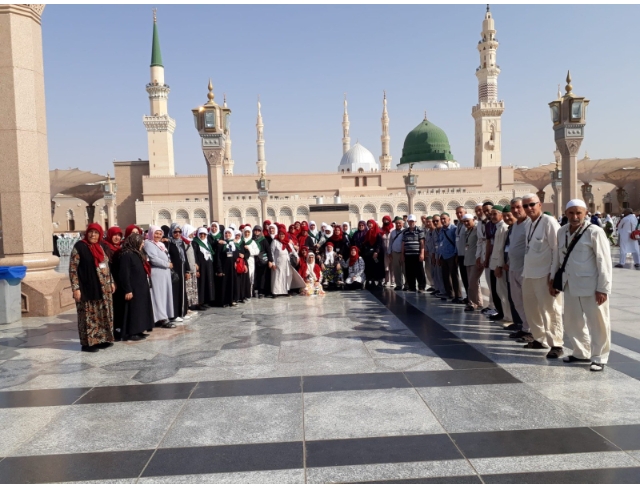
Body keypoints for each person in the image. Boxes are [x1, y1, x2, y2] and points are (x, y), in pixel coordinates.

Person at [553, 199, 612, 371]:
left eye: (579, 212)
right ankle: (581, 352)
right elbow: (559, 257)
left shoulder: (595, 232)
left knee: (598, 322)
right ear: (566, 213)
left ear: (586, 213)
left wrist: (603, 288)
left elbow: (604, 261)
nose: (575, 216)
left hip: (592, 286)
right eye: (571, 213)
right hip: (570, 284)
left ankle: (599, 357)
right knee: (572, 321)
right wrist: (553, 279)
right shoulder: (562, 231)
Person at [521, 193, 564, 358]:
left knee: (550, 310)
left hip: (545, 274)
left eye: (532, 204)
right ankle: (539, 339)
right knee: (531, 309)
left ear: (540, 204)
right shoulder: (528, 224)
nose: (529, 208)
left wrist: (553, 276)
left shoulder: (549, 222)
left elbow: (556, 250)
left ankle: (556, 344)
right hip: (529, 273)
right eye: (526, 206)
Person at [69, 223, 115, 352]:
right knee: (88, 315)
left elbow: (106, 266)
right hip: (86, 286)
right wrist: (76, 288)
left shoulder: (100, 247)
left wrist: (111, 281)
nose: (93, 235)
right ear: (87, 232)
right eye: (91, 232)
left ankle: (101, 339)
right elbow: (73, 269)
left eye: (96, 233)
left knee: (101, 314)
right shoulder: (79, 247)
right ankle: (88, 343)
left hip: (102, 287)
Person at [112, 233, 154, 341]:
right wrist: (128, 289)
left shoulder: (137, 253)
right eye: (141, 241)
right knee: (133, 310)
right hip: (133, 288)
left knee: (140, 309)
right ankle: (131, 332)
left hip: (140, 287)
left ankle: (139, 330)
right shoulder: (126, 254)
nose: (143, 243)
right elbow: (124, 274)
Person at [506, 198, 531, 341]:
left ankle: (532, 331)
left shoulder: (529, 224)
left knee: (527, 301)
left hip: (525, 269)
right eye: (513, 208)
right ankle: (525, 327)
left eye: (518, 207)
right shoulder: (516, 225)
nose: (515, 210)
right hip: (513, 267)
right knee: (517, 301)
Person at [144, 225, 175, 327]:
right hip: (157, 273)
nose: (158, 235)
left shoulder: (160, 244)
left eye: (159, 233)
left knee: (165, 295)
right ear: (151, 233)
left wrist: (169, 263)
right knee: (158, 295)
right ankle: (161, 318)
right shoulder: (149, 244)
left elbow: (166, 256)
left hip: (164, 273)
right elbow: (153, 258)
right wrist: (167, 264)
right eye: (156, 233)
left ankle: (165, 315)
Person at [487, 205, 512, 323]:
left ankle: (508, 317)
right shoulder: (498, 227)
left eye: (494, 214)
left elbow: (502, 248)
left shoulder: (503, 227)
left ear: (501, 215)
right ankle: (503, 314)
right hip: (495, 263)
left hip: (499, 265)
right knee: (499, 291)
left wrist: (499, 265)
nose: (492, 216)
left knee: (503, 292)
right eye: (491, 214)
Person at [166, 223, 191, 322]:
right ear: (171, 232)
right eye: (175, 232)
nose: (177, 234)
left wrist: (187, 270)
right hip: (174, 272)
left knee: (182, 291)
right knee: (175, 292)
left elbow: (185, 258)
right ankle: (174, 314)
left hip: (181, 270)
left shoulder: (181, 243)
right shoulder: (169, 243)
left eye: (179, 232)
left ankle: (182, 312)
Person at [270, 224, 303, 297]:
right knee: (277, 277)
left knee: (286, 276)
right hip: (277, 262)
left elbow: (293, 251)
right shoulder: (275, 242)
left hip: (286, 263)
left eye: (283, 234)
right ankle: (276, 292)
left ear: (285, 235)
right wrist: (273, 263)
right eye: (280, 234)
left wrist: (297, 257)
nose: (281, 236)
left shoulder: (288, 242)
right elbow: (271, 252)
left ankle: (285, 291)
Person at [438, 212, 463, 303]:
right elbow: (439, 242)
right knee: (445, 275)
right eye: (442, 219)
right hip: (443, 255)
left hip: (452, 255)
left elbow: (457, 242)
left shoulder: (453, 229)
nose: (443, 220)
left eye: (444, 218)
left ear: (449, 219)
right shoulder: (441, 230)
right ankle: (449, 293)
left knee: (454, 275)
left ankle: (458, 295)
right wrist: (439, 256)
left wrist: (456, 254)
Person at [462, 215, 483, 312]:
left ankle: (472, 303)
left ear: (473, 220)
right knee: (474, 283)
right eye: (464, 222)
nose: (466, 223)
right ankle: (478, 302)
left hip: (475, 260)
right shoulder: (468, 231)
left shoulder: (477, 230)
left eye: (468, 221)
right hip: (468, 260)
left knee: (472, 282)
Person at [402, 214, 427, 292]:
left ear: (415, 222)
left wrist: (422, 253)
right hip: (408, 255)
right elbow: (403, 244)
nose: (411, 223)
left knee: (419, 271)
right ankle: (412, 286)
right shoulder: (405, 231)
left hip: (417, 254)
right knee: (409, 271)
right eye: (410, 221)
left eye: (413, 221)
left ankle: (421, 286)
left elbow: (422, 242)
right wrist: (402, 255)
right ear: (408, 222)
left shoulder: (419, 230)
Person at [192, 227, 215, 308]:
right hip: (201, 266)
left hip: (208, 266)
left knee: (207, 282)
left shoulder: (207, 243)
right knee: (201, 283)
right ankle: (199, 302)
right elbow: (195, 255)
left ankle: (205, 301)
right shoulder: (195, 243)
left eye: (204, 234)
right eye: (201, 234)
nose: (202, 235)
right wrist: (196, 266)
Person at [216, 228, 240, 307]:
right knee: (224, 284)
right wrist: (219, 269)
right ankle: (224, 301)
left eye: (229, 233)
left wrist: (237, 262)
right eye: (226, 233)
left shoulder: (234, 244)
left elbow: (237, 255)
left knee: (232, 283)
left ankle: (232, 300)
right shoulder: (221, 244)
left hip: (232, 268)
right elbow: (218, 257)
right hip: (224, 267)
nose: (227, 235)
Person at [180, 224, 200, 314]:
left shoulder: (189, 242)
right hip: (188, 270)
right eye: (191, 233)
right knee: (187, 289)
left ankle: (190, 306)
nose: (193, 234)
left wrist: (195, 264)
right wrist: (187, 270)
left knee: (192, 289)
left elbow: (192, 255)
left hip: (193, 269)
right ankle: (187, 308)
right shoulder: (182, 243)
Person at [361, 219, 385, 289]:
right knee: (371, 267)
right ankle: (372, 281)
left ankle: (380, 282)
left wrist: (376, 252)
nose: (369, 225)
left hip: (378, 253)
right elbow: (366, 242)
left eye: (371, 223)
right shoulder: (368, 232)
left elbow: (379, 243)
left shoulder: (378, 232)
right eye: (368, 224)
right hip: (370, 254)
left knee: (378, 267)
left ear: (374, 224)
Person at [455, 207, 469, 302]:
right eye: (457, 213)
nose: (459, 214)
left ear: (465, 212)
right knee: (464, 277)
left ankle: (474, 299)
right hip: (460, 255)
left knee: (470, 278)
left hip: (467, 255)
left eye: (461, 212)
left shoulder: (468, 224)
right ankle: (469, 297)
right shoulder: (459, 225)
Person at [252, 225, 271, 298]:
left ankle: (261, 291)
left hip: (262, 261)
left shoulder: (263, 240)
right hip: (254, 260)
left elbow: (268, 251)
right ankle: (254, 290)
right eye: (255, 230)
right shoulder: (251, 239)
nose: (257, 232)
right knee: (254, 276)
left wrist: (270, 260)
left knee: (262, 276)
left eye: (258, 230)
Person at [241, 226, 260, 298]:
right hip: (243, 261)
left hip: (250, 261)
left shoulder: (252, 242)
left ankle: (249, 293)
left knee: (250, 276)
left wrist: (249, 249)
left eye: (248, 232)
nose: (247, 233)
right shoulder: (241, 240)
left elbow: (257, 251)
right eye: (246, 232)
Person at [429, 215, 446, 296]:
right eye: (434, 221)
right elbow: (433, 244)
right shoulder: (434, 231)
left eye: (437, 221)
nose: (435, 223)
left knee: (442, 274)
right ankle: (438, 289)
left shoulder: (444, 230)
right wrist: (433, 256)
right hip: (436, 254)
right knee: (436, 273)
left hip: (443, 254)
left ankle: (444, 291)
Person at [388, 216, 405, 291]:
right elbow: (390, 243)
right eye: (397, 223)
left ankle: (407, 284)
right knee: (396, 269)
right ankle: (399, 284)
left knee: (405, 269)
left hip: (403, 253)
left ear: (402, 224)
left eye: (399, 223)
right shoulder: (392, 232)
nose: (398, 224)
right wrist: (389, 252)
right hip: (395, 253)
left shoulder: (405, 231)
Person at [380, 215, 394, 286]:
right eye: (384, 220)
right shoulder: (381, 230)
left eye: (387, 220)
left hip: (391, 251)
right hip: (384, 251)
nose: (386, 221)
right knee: (386, 267)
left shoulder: (393, 230)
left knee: (392, 266)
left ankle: (393, 281)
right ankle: (386, 280)